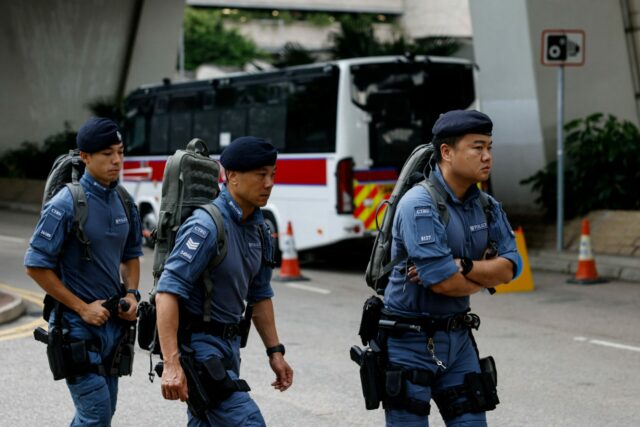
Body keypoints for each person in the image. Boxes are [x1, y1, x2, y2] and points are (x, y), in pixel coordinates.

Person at [382, 110, 520, 426]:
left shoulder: (487, 205)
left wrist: (466, 266)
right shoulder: (418, 204)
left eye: (490, 147)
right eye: (477, 147)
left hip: (458, 342)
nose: (487, 157)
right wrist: (484, 274)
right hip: (409, 344)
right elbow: (443, 282)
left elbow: (513, 267)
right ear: (447, 152)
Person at [155, 136, 293, 426]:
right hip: (201, 349)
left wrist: (275, 352)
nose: (269, 183)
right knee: (249, 422)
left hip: (229, 349)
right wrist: (171, 363)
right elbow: (167, 291)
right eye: (260, 175)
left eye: (273, 174)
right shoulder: (206, 226)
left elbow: (260, 294)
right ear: (232, 176)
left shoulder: (260, 230)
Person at [24, 117, 143, 426]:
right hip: (75, 327)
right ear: (85, 157)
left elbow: (131, 256)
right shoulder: (65, 204)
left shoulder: (124, 201)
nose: (117, 160)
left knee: (103, 413)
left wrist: (131, 293)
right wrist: (81, 307)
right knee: (97, 416)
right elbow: (35, 265)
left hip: (113, 328)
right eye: (107, 153)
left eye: (120, 151)